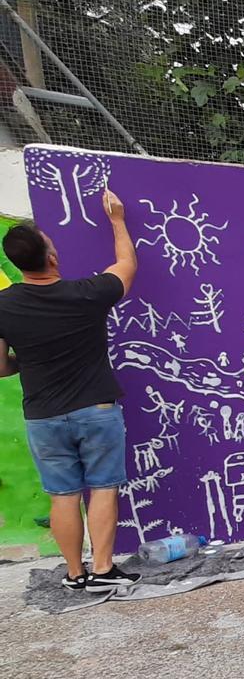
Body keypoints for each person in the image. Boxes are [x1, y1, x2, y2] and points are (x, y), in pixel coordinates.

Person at [0, 193, 141, 592]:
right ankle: (102, 570)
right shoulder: (87, 294)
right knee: (102, 489)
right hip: (96, 410)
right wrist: (116, 220)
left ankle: (75, 574)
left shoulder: (3, 307)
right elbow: (127, 266)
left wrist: (24, 362)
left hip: (43, 415)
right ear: (52, 257)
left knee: (62, 495)